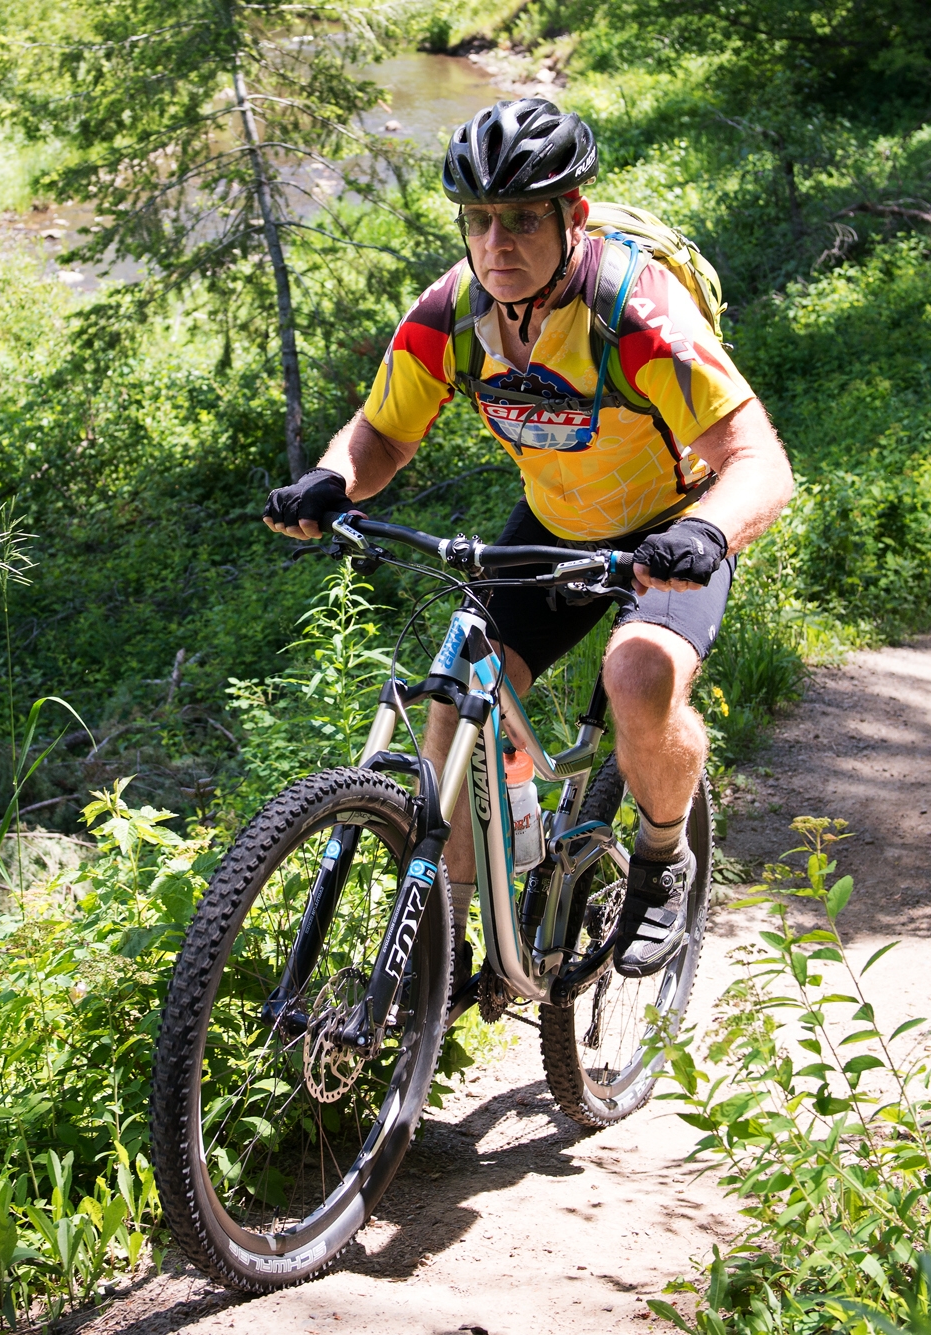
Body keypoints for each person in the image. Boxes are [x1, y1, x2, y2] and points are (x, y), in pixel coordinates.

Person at [263, 98, 793, 978]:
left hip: (671, 531)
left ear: (572, 215)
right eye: (478, 220)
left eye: (520, 220)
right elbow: (382, 433)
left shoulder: (635, 314)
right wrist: (333, 478)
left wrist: (707, 528)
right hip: (555, 522)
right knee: (454, 698)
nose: (495, 243)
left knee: (639, 677)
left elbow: (759, 461)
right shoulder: (452, 314)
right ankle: (448, 942)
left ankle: (663, 856)